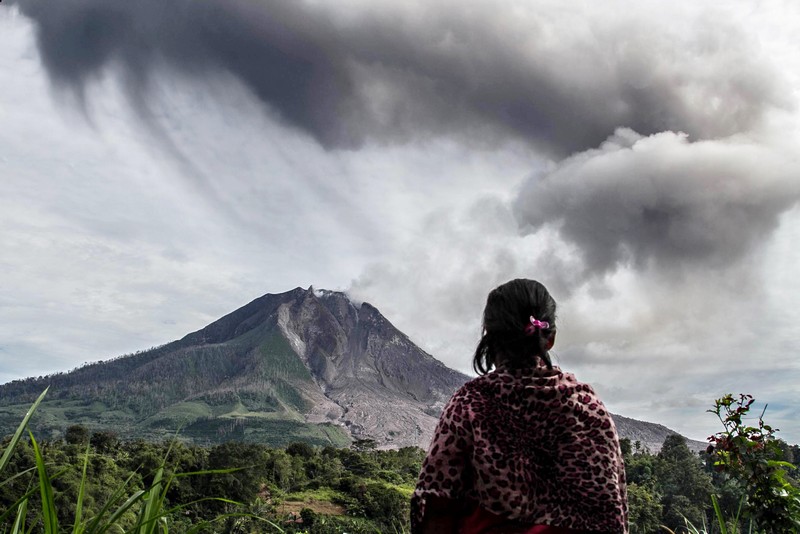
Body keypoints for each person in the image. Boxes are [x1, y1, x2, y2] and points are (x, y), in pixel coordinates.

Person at [411, 279, 628, 534]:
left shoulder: (471, 403)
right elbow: (611, 512)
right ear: (550, 339)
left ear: (490, 338)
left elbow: (437, 504)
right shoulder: (589, 410)